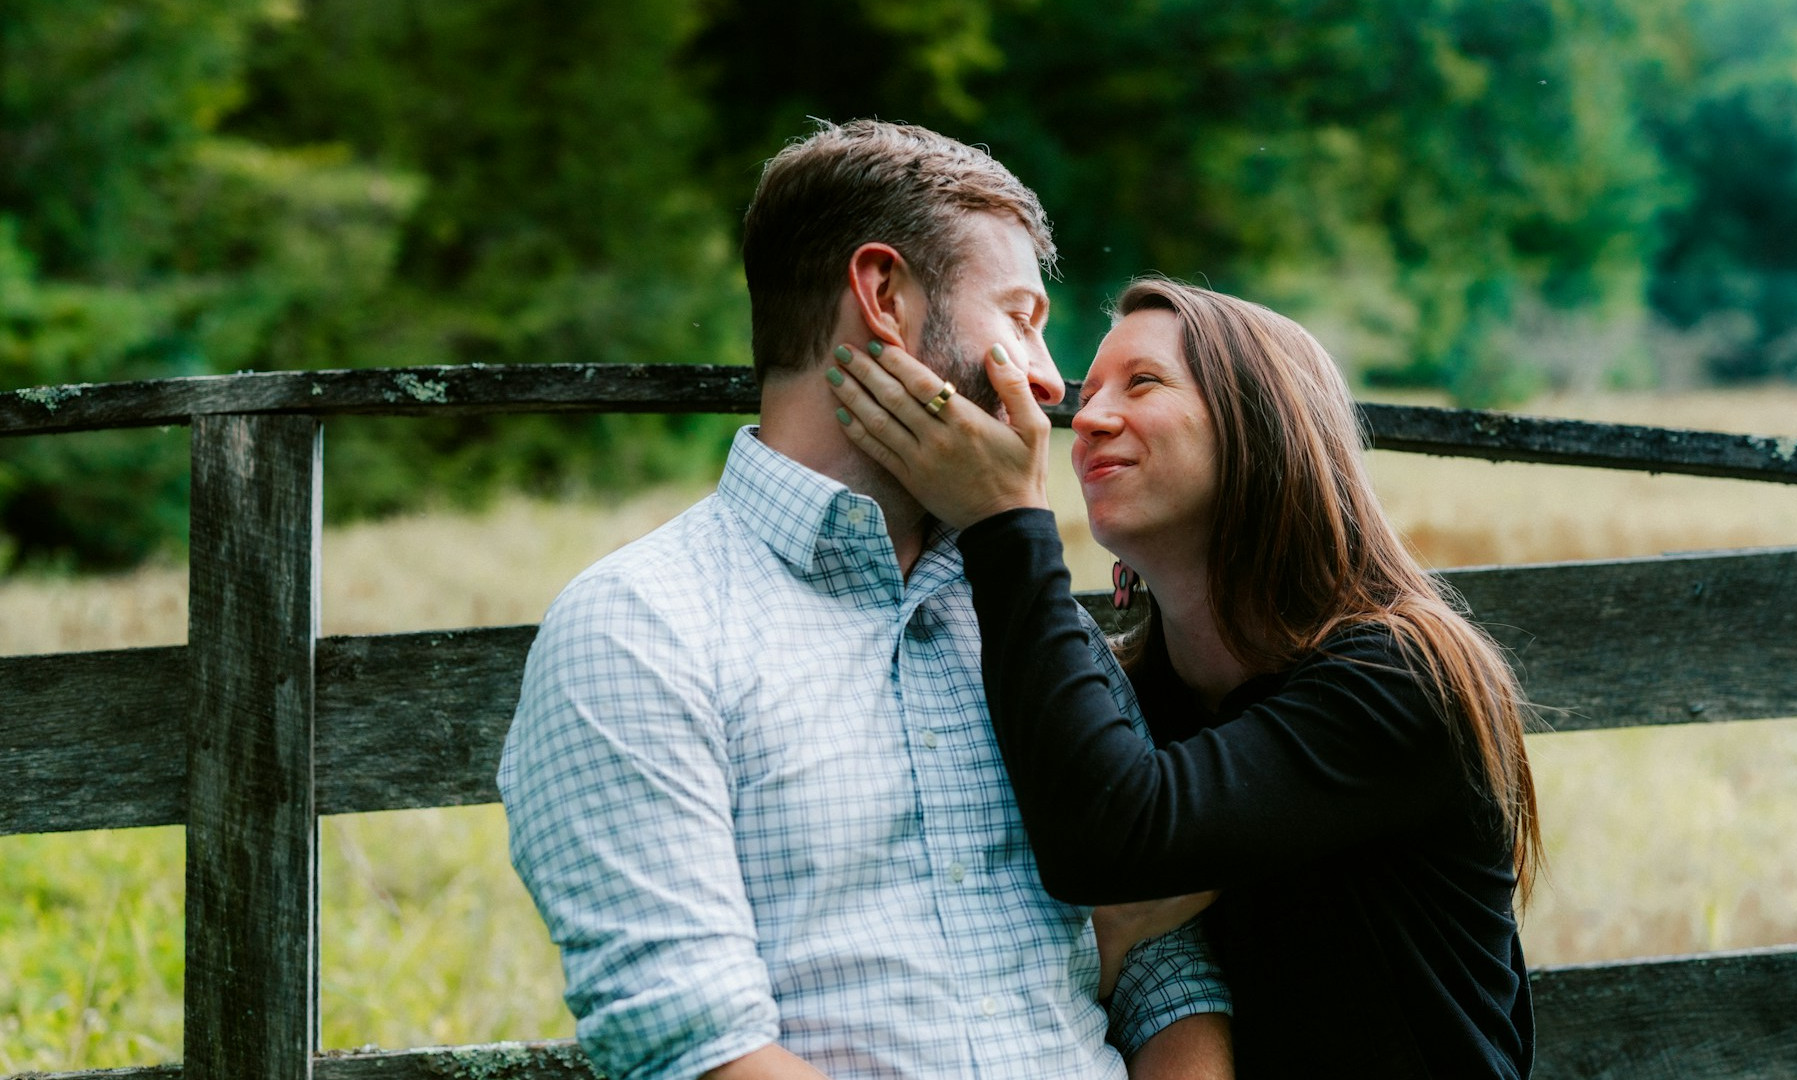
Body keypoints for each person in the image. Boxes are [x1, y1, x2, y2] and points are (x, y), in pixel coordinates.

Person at [496, 123, 1233, 1080]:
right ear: (883, 295)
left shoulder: (1019, 617)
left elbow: (1164, 967)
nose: (1050, 381)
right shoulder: (641, 627)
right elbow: (698, 1050)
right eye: (1019, 318)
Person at [824, 277, 1543, 1077]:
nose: (1087, 418)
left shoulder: (1403, 679)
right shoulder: (1130, 696)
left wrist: (1004, 521)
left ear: (1260, 429)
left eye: (1144, 383)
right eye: (1088, 393)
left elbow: (1113, 842)